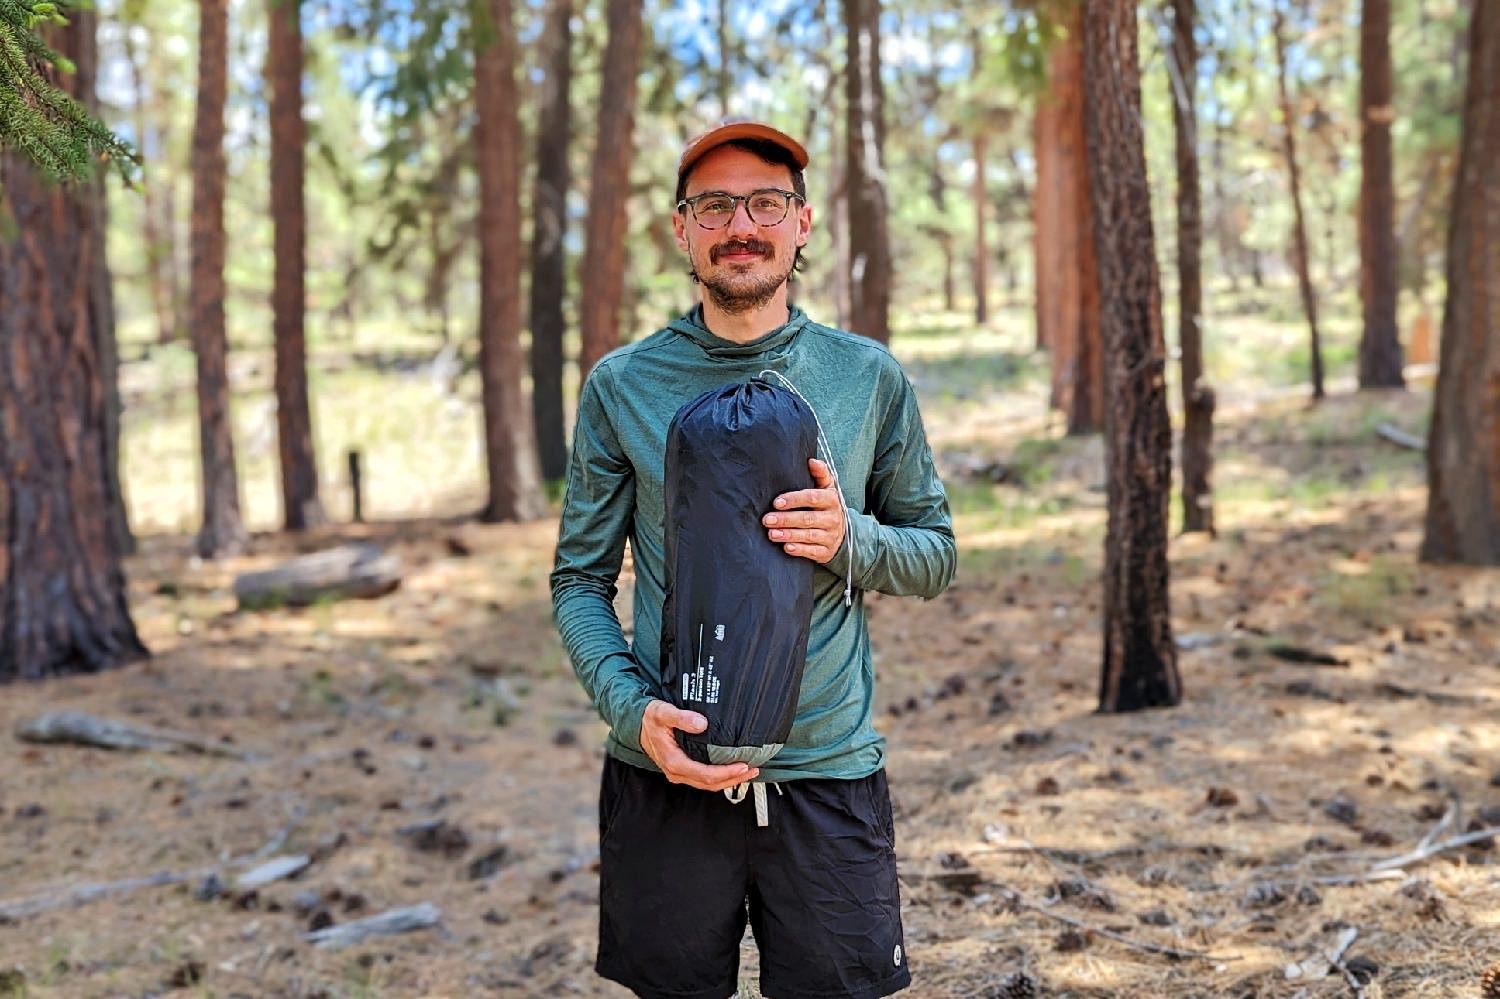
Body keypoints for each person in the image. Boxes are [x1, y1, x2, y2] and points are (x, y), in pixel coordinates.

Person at [550, 119, 956, 999]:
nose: (743, 225)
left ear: (802, 223)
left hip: (827, 777)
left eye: (766, 203)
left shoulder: (866, 376)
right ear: (682, 228)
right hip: (668, 770)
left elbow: (935, 553)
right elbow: (580, 580)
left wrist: (853, 539)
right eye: (716, 206)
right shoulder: (624, 384)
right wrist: (632, 713)